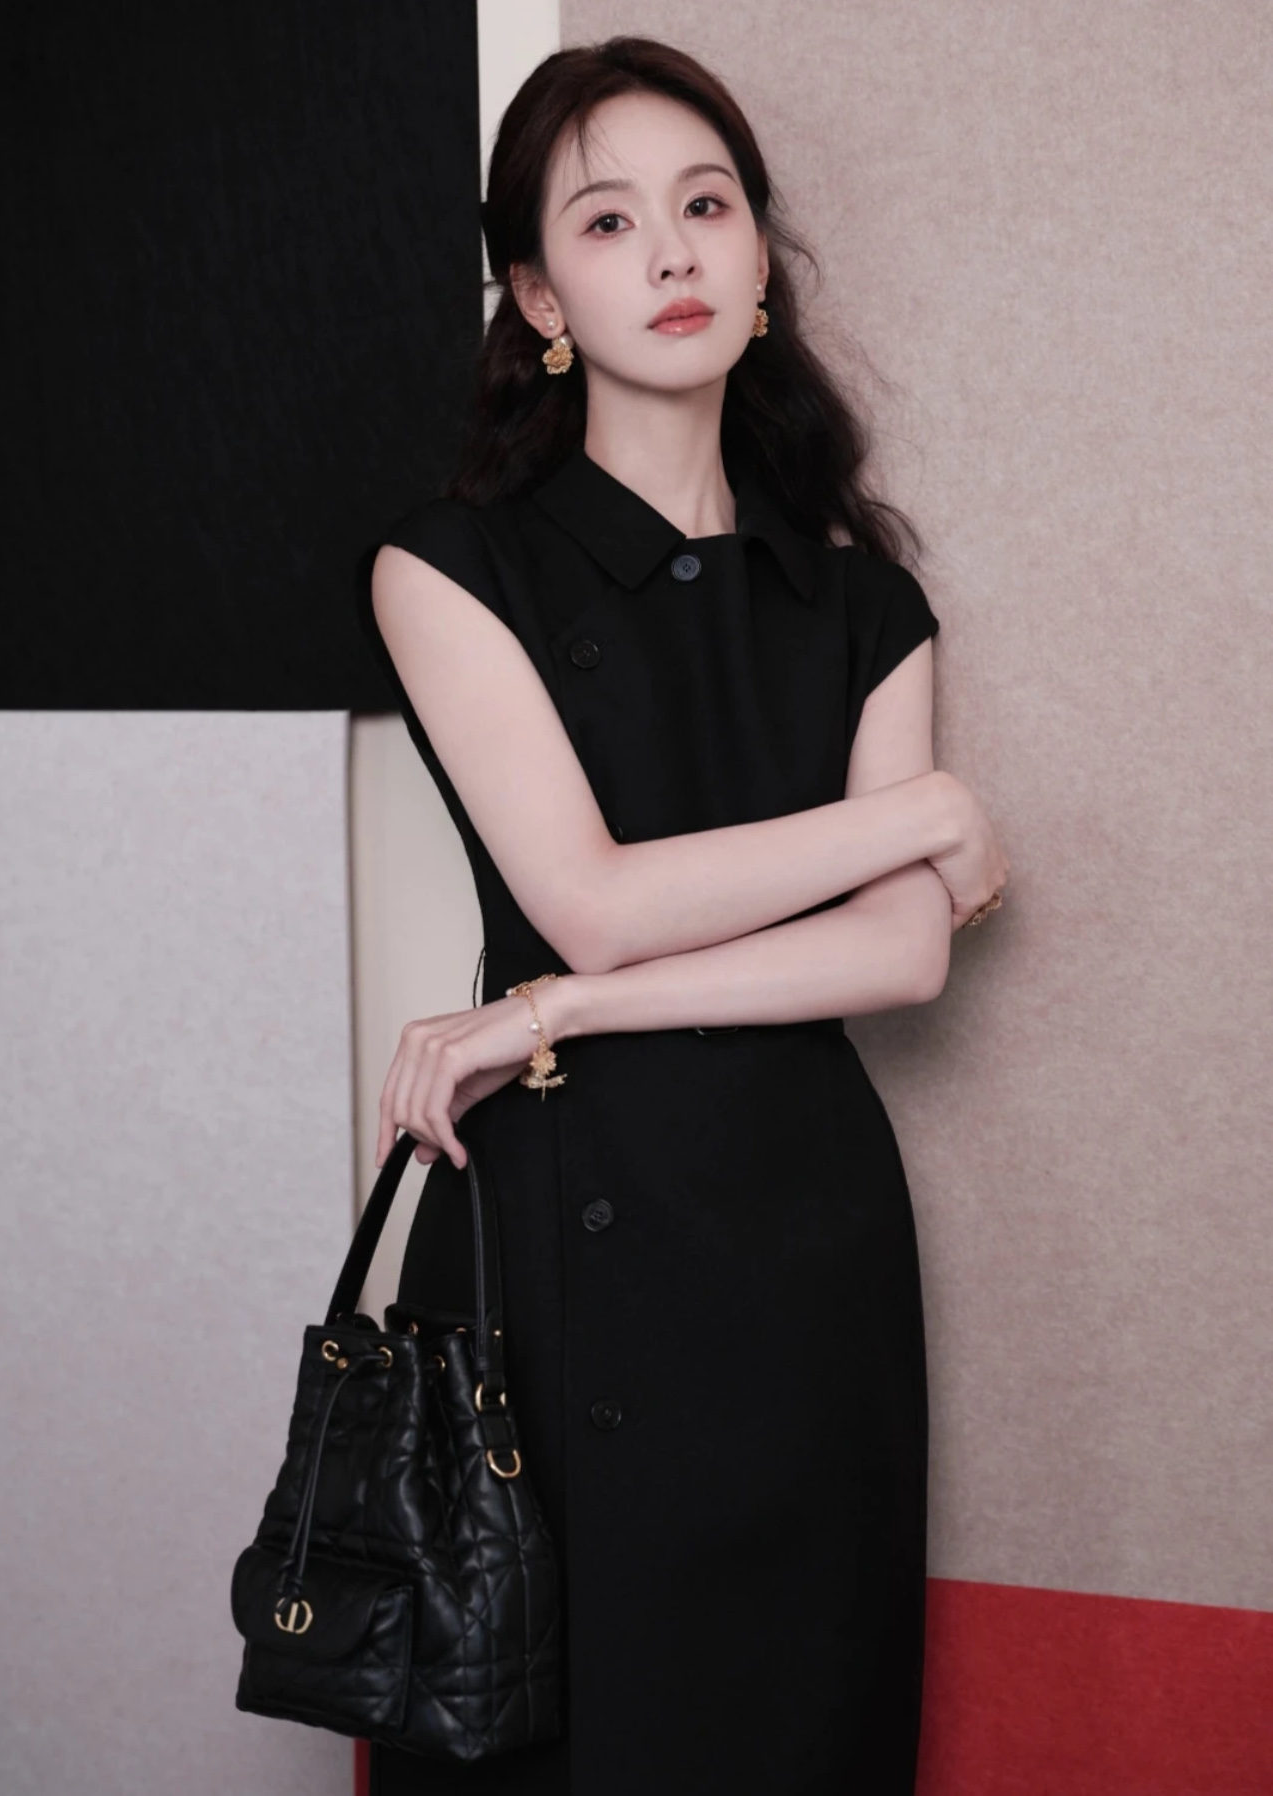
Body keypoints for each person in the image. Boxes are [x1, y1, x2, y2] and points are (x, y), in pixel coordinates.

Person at [363, 34, 1008, 1796]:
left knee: (798, 1723)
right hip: (564, 1242)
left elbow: (899, 950)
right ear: (536, 298)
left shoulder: (862, 600)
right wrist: (920, 814)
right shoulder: (447, 565)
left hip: (805, 1249)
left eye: (706, 207)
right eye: (606, 220)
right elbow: (590, 900)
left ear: (758, 259)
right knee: (571, 1726)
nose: (670, 252)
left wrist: (550, 1013)